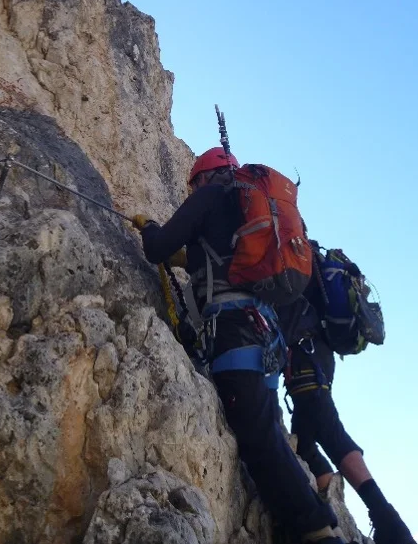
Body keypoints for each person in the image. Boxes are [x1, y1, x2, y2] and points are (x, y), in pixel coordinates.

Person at [132, 147, 346, 544]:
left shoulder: (210, 197)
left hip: (233, 331)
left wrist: (149, 229)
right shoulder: (249, 212)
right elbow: (214, 261)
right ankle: (298, 519)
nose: (192, 188)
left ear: (203, 178)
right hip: (266, 335)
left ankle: (317, 527)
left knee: (258, 437)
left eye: (193, 182)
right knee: (267, 432)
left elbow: (157, 249)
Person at [280, 243, 418, 544]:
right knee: (303, 445)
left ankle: (390, 523)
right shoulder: (304, 249)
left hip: (305, 357)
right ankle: (331, 527)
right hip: (319, 357)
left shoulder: (284, 253)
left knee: (330, 432)